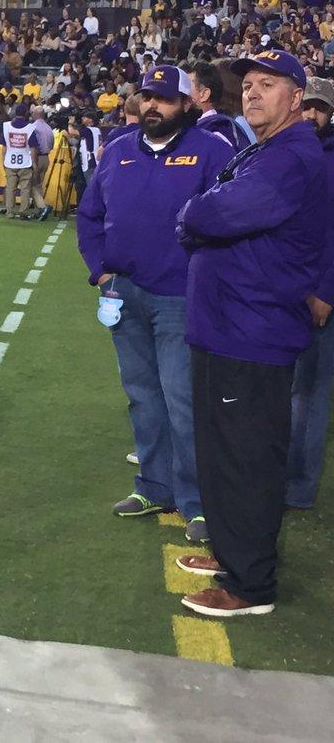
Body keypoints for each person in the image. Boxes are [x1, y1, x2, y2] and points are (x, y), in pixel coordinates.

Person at [175, 50, 327, 617]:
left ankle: (250, 585)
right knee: (222, 450)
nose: (254, 92)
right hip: (228, 325)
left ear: (296, 97)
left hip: (252, 329)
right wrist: (201, 215)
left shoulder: (288, 157)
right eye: (249, 84)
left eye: (269, 83)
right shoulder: (266, 150)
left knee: (245, 456)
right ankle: (232, 550)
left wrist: (195, 216)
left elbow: (212, 215)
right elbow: (213, 213)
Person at [78, 65, 232, 542]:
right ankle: (154, 485)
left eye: (164, 99)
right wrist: (102, 270)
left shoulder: (212, 150)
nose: (152, 106)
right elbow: (89, 214)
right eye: (147, 96)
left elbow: (231, 217)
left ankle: (198, 502)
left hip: (181, 298)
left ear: (187, 105)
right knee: (143, 396)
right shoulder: (119, 150)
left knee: (183, 400)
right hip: (126, 294)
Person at [287, 75, 334, 510]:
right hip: (285, 289)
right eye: (307, 106)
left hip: (318, 295)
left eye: (319, 108)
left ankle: (297, 487)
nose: (311, 115)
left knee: (310, 394)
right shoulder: (292, 151)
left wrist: (324, 290)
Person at [181, 60, 254, 150]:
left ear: (204, 94)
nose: (180, 93)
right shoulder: (187, 129)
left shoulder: (218, 132)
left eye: (186, 86)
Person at [0, 104, 44, 219]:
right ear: (26, 114)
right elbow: (33, 149)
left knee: (10, 188)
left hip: (10, 161)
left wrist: (3, 160)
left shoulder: (6, 126)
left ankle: (9, 211)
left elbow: (4, 147)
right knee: (25, 189)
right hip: (25, 162)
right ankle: (23, 211)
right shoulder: (29, 128)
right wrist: (34, 164)